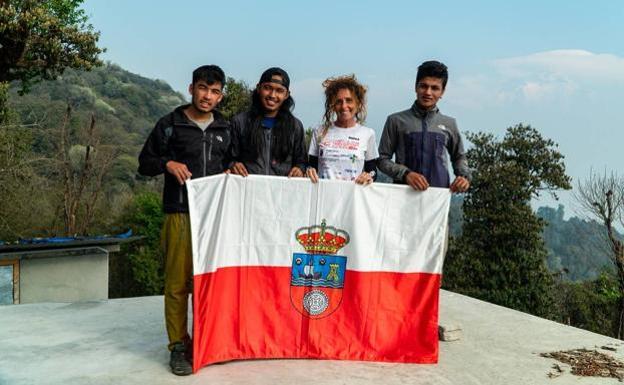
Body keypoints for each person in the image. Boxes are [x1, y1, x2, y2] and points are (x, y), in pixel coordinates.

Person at [137, 65, 230, 376]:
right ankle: (178, 345)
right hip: (179, 212)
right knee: (178, 283)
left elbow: (234, 163)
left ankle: (206, 340)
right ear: (191, 88)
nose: (208, 96)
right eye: (203, 88)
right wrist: (167, 162)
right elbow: (144, 163)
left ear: (221, 95)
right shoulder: (170, 124)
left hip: (214, 217)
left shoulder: (225, 129)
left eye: (215, 91)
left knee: (210, 282)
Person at [378, 60, 471, 192]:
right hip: (402, 196)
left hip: (438, 197)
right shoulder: (396, 121)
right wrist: (406, 174)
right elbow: (382, 159)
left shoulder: (450, 124)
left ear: (442, 92)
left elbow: (459, 157)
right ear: (415, 87)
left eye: (435, 88)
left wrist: (464, 177)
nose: (428, 92)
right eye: (423, 86)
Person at [229, 67, 306, 177]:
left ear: (286, 95)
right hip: (247, 190)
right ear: (258, 88)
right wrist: (233, 164)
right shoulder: (240, 122)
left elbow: (301, 161)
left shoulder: (295, 126)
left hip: (281, 192)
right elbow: (229, 158)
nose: (272, 95)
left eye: (279, 90)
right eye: (267, 88)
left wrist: (299, 169)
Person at [306, 74, 378, 185]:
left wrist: (369, 176)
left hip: (353, 198)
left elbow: (373, 171)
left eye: (349, 100)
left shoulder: (368, 134)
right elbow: (311, 166)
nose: (344, 106)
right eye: (339, 101)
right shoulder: (319, 131)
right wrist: (309, 171)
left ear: (358, 103)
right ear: (333, 105)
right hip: (325, 198)